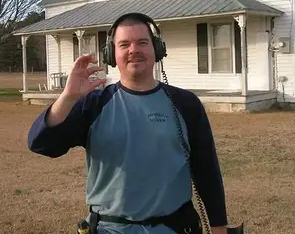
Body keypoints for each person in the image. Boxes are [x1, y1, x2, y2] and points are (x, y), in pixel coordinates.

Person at [28, 12, 228, 234]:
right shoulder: (94, 105)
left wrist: (219, 227)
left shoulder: (186, 104)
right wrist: (67, 98)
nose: (134, 50)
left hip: (175, 228)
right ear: (112, 54)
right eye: (124, 44)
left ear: (157, 50)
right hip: (110, 229)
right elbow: (41, 144)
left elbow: (207, 171)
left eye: (142, 42)